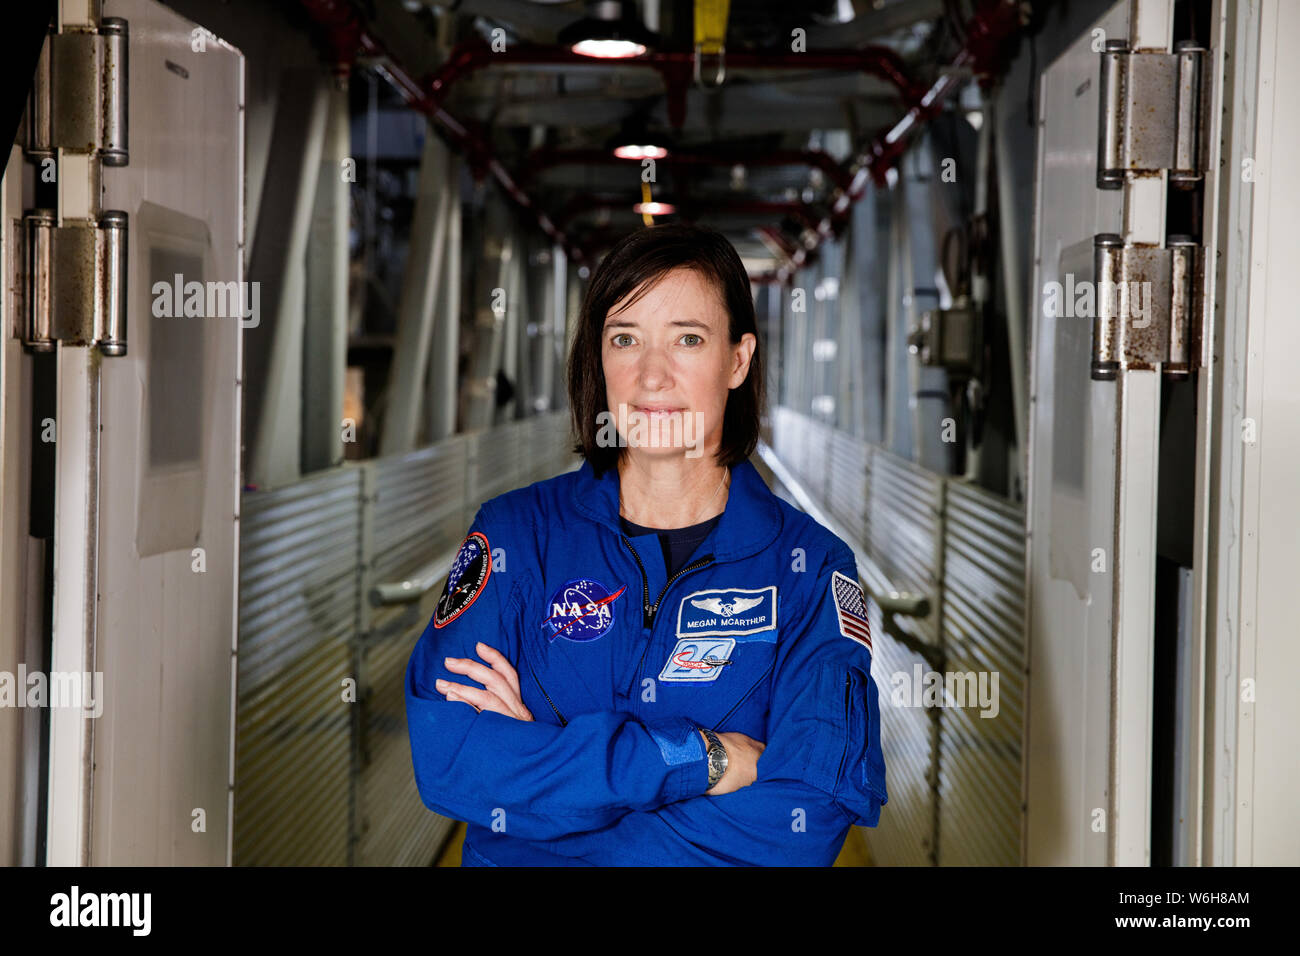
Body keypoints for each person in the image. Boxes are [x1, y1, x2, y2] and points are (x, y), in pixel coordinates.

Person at [405, 222, 887, 866]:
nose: (651, 376)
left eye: (688, 339)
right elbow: (452, 759)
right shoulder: (516, 536)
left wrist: (548, 799)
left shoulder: (809, 570)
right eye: (625, 339)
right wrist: (705, 760)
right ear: (598, 359)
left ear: (738, 360)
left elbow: (803, 824)